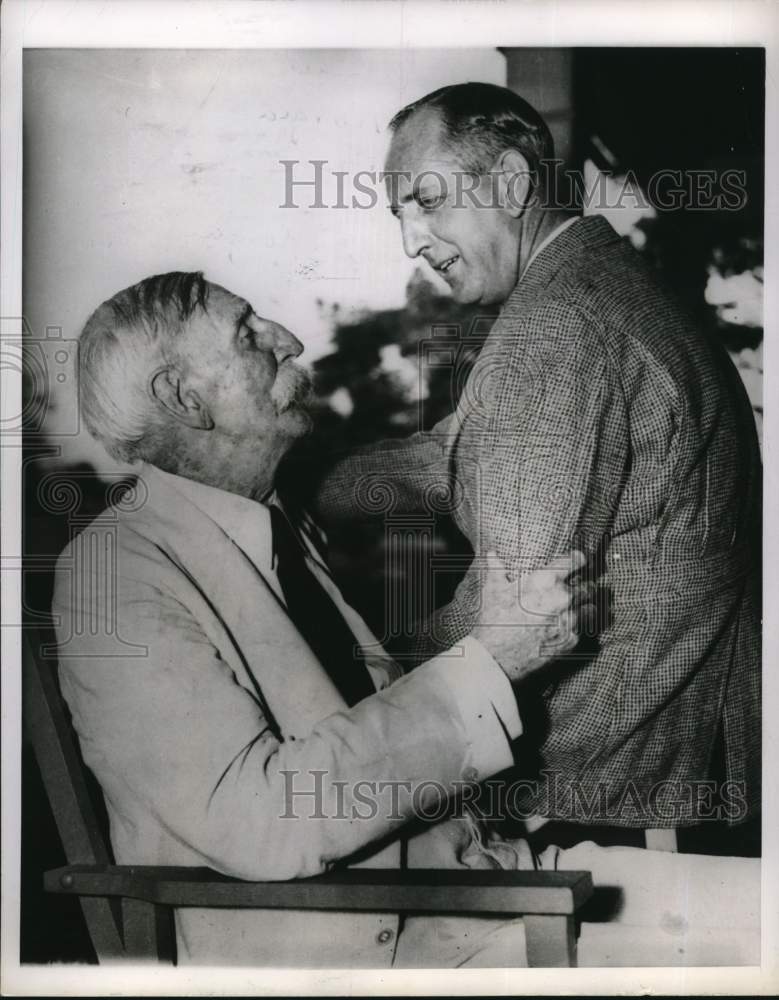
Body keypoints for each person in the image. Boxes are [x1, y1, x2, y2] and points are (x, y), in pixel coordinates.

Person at [53, 271, 758, 968]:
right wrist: (489, 662)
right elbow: (257, 822)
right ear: (184, 397)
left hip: (482, 885)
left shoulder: (271, 522)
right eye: (247, 332)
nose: (288, 339)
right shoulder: (114, 575)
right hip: (375, 947)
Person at [314, 82, 762, 849]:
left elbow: (521, 616)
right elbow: (454, 452)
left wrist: (345, 677)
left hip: (609, 809)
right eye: (399, 215)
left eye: (427, 201)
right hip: (686, 773)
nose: (412, 242)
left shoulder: (552, 331)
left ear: (514, 183)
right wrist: (307, 485)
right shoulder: (601, 287)